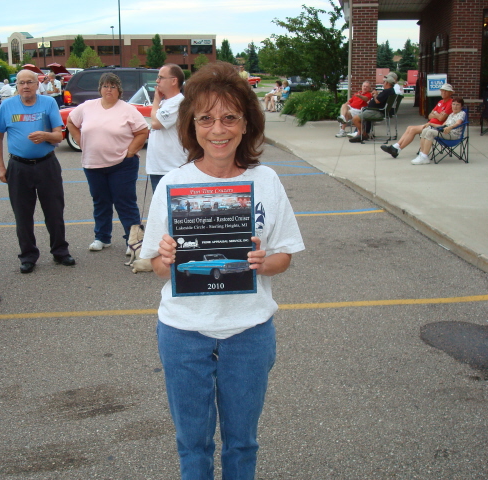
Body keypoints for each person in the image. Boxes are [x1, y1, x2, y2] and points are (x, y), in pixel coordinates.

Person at [140, 61, 305, 479]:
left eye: (230, 117)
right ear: (191, 125)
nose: (218, 129)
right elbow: (160, 270)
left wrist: (262, 262)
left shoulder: (265, 180)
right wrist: (166, 256)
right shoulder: (172, 185)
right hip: (183, 333)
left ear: (246, 124)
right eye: (206, 118)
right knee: (192, 445)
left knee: (242, 443)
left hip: (249, 332)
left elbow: (284, 255)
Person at [0, 69, 75, 274]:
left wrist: (45, 135)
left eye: (30, 82)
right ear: (17, 86)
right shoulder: (7, 106)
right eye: (21, 83)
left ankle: (60, 251)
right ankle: (28, 255)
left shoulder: (48, 104)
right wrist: (1, 167)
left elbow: (58, 136)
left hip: (47, 165)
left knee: (54, 212)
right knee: (22, 215)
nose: (26, 86)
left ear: (37, 84)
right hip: (19, 167)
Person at [67, 73, 149, 252]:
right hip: (93, 164)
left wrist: (130, 152)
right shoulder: (88, 106)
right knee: (100, 202)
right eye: (105, 86)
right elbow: (71, 121)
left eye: (112, 86)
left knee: (125, 202)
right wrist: (79, 140)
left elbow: (143, 131)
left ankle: (134, 241)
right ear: (100, 89)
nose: (108, 90)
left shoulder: (127, 109)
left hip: (122, 165)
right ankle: (102, 237)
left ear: (119, 90)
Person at [381, 83, 455, 157]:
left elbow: (441, 118)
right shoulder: (440, 102)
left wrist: (435, 114)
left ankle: (396, 149)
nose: (443, 92)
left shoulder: (451, 103)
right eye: (442, 91)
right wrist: (437, 115)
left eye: (446, 91)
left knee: (413, 130)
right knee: (409, 127)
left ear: (450, 93)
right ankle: (396, 148)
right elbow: (429, 116)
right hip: (429, 124)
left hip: (437, 127)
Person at [390, 97, 467, 165]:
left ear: (461, 106)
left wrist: (451, 127)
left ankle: (424, 156)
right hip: (445, 132)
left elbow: (458, 123)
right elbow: (443, 126)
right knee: (426, 130)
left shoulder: (461, 113)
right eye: (453, 104)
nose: (455, 106)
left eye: (457, 105)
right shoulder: (451, 115)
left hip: (453, 135)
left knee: (430, 132)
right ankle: (421, 155)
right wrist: (431, 124)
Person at [146, 63, 186, 192]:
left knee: (172, 209)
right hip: (159, 167)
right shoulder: (166, 102)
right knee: (159, 209)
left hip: (171, 167)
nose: (157, 81)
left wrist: (156, 100)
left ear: (174, 81)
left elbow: (156, 123)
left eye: (161, 77)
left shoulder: (178, 102)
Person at [349, 74, 397, 143]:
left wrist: (375, 94)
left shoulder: (387, 91)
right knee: (363, 114)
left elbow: (377, 101)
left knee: (355, 119)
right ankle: (359, 134)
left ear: (387, 83)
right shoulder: (391, 91)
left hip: (378, 112)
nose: (383, 83)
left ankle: (364, 135)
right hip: (376, 111)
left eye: (384, 82)